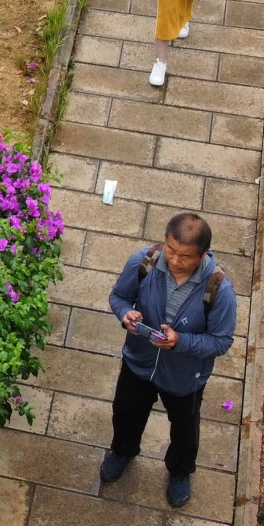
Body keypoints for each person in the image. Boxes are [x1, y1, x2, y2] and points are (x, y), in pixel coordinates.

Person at [102, 212, 238, 507]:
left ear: (203, 255)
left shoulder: (219, 290)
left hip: (185, 376)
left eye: (186, 257)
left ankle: (179, 471)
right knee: (126, 413)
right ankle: (123, 451)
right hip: (138, 361)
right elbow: (118, 297)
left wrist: (181, 342)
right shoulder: (144, 261)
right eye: (171, 250)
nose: (175, 261)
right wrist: (125, 314)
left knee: (185, 431)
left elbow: (222, 340)